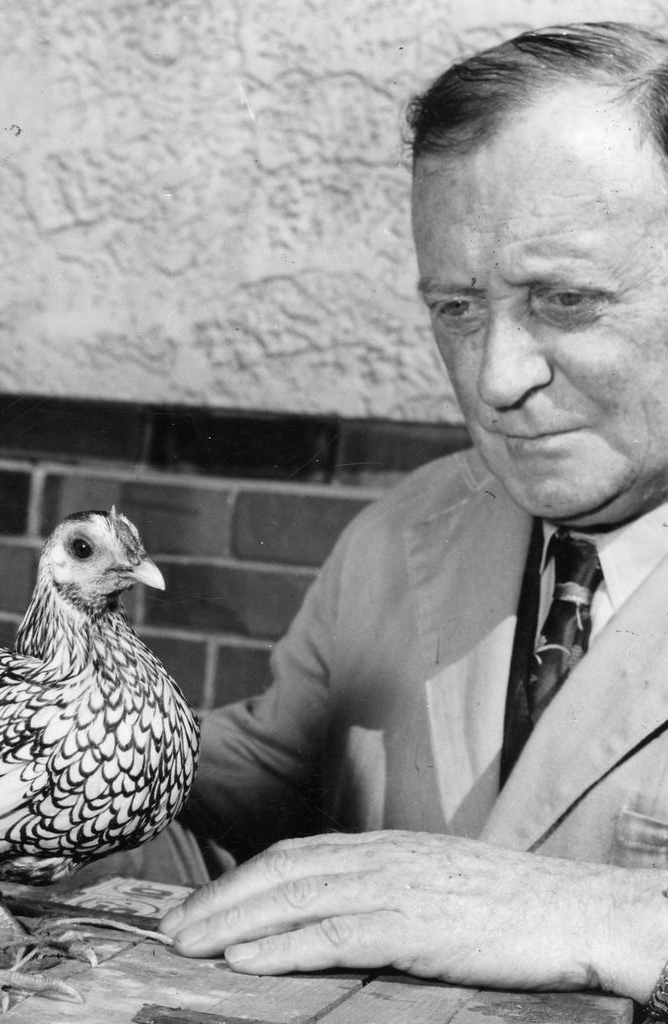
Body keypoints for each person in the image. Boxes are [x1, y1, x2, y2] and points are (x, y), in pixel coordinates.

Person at [151, 21, 668, 1017]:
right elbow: (257, 794)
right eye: (457, 309)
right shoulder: (408, 525)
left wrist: (612, 919)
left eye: (563, 300)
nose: (495, 379)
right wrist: (35, 790)